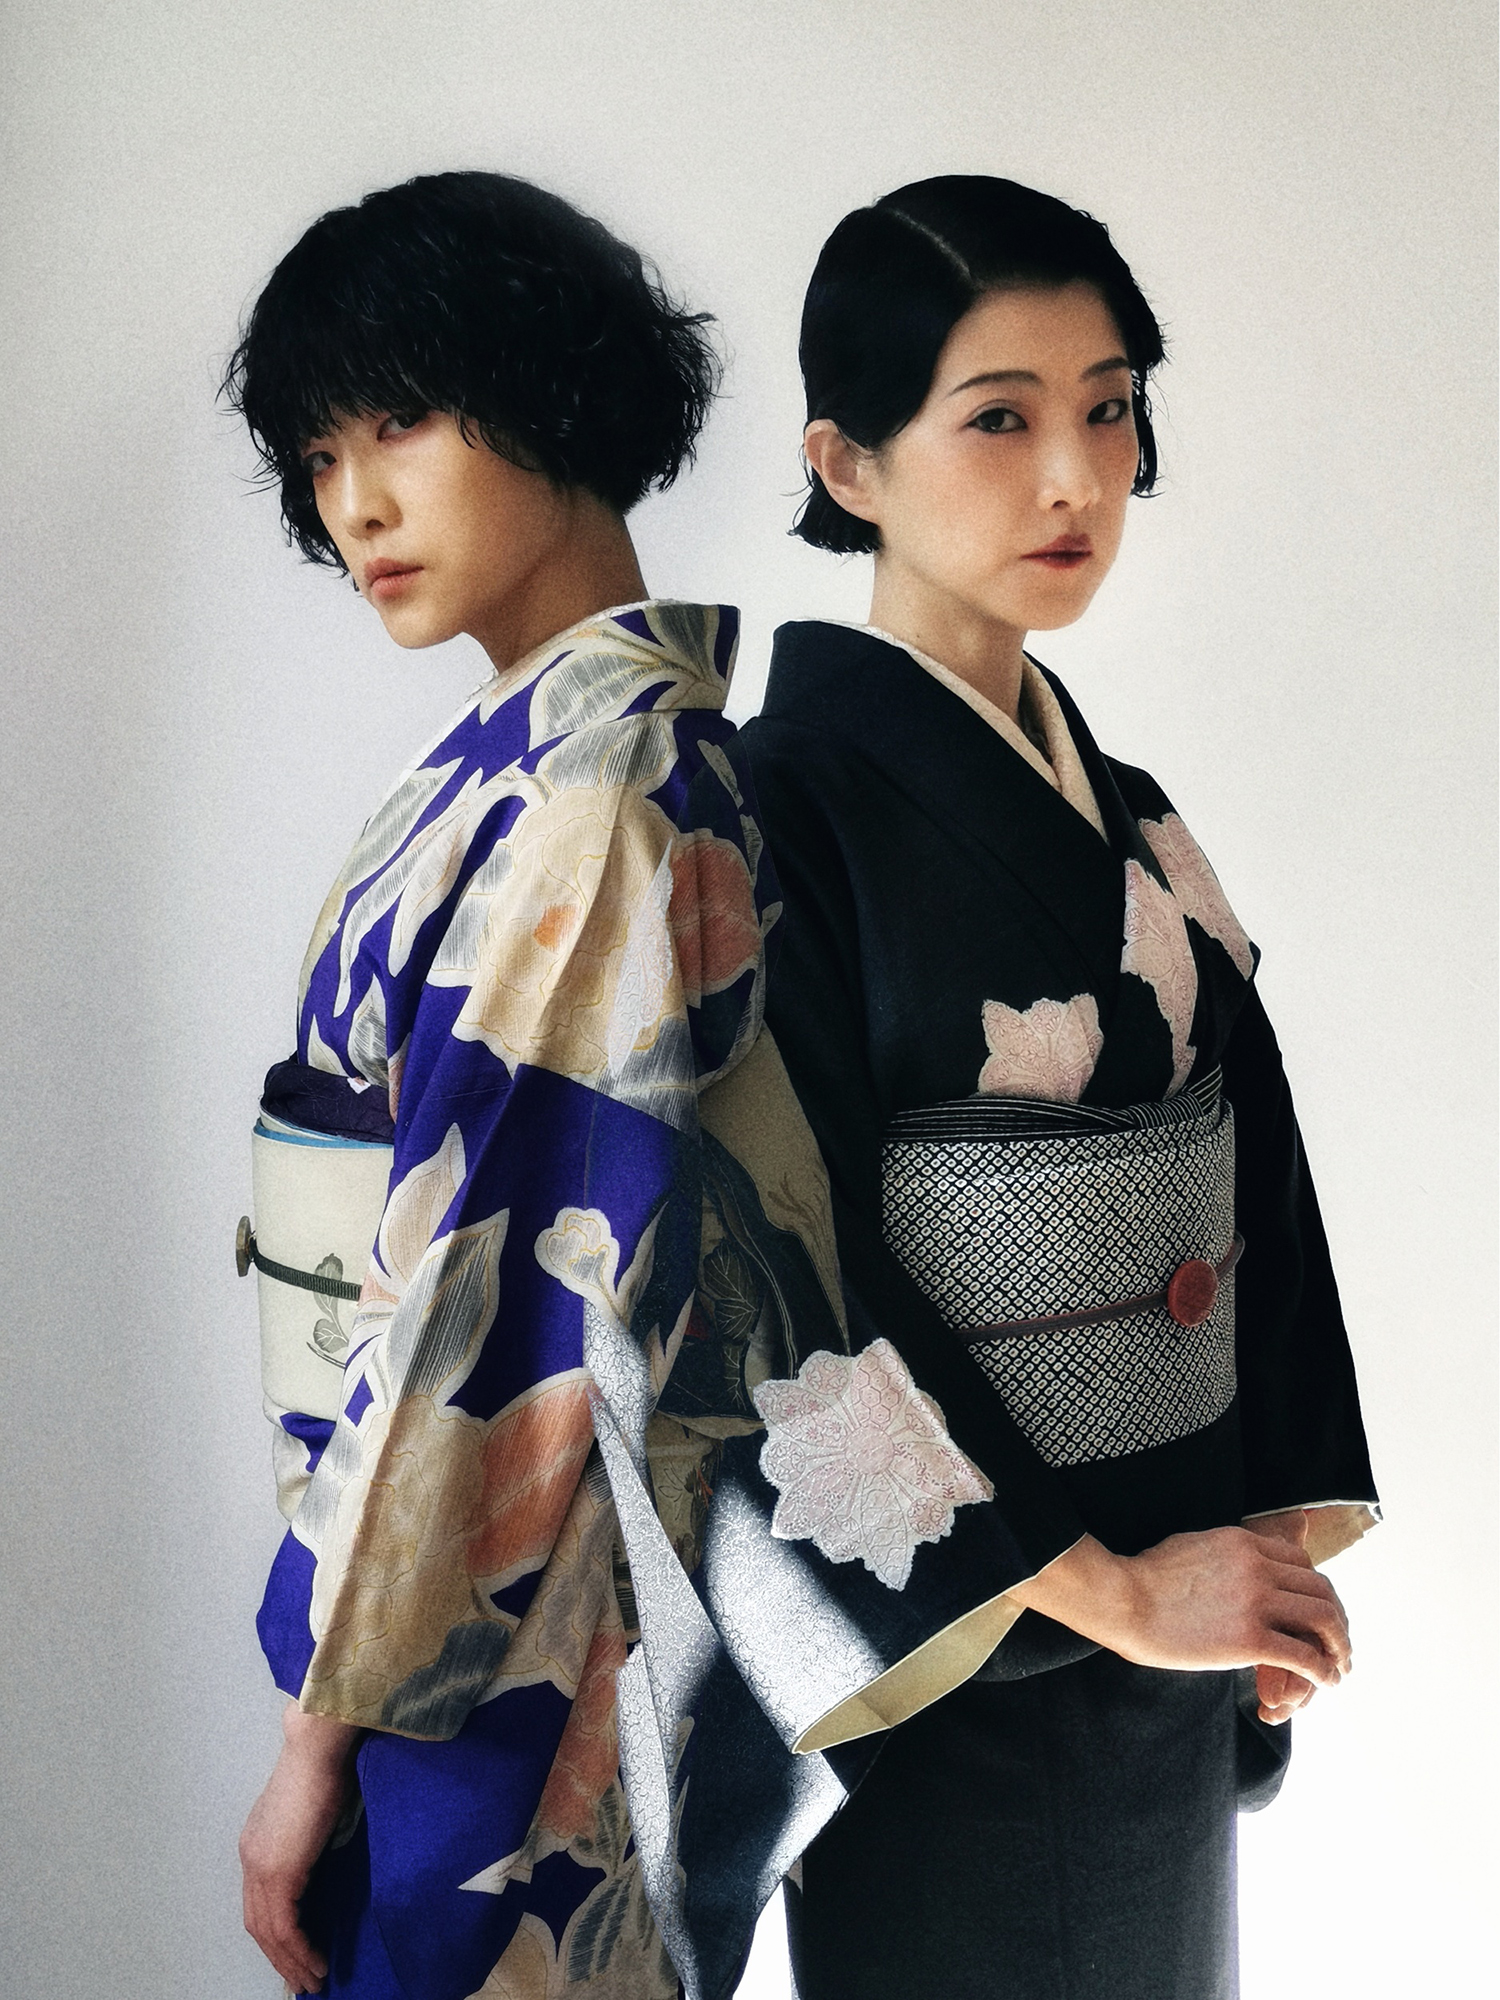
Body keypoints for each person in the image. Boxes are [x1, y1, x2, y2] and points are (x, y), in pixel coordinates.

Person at [729, 176, 1380, 2000]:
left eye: (1109, 409)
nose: (1078, 476)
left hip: (1178, 1608)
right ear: (848, 464)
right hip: (977, 1637)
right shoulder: (775, 813)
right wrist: (1104, 1588)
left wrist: (1260, 1541)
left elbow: (1252, 1179)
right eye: (1000, 419)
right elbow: (781, 1277)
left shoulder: (1130, 809)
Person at [223, 170, 846, 2000]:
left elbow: (495, 1311)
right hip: (453, 1582)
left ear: (555, 395)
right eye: (319, 455)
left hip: (513, 1619)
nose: (353, 503)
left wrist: (322, 1731)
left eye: (400, 422)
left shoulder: (598, 801)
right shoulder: (560, 756)